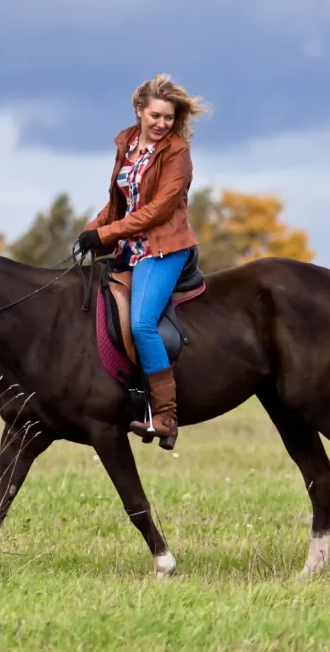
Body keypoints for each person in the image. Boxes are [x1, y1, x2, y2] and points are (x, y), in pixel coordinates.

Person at [77, 74, 207, 448]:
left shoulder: (177, 153)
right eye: (155, 115)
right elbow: (120, 204)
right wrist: (92, 230)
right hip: (127, 248)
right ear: (139, 111)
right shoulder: (128, 143)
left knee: (142, 322)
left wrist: (105, 235)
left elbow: (157, 210)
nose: (162, 124)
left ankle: (165, 415)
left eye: (168, 117)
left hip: (164, 248)